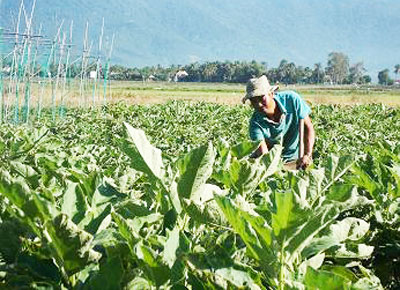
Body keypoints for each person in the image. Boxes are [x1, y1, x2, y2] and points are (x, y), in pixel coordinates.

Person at [242, 75, 315, 169]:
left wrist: (307, 155)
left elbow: (308, 127)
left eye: (261, 98)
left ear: (271, 94)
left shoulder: (291, 100)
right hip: (274, 165)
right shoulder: (255, 124)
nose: (258, 104)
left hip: (297, 160)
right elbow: (264, 155)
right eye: (253, 101)